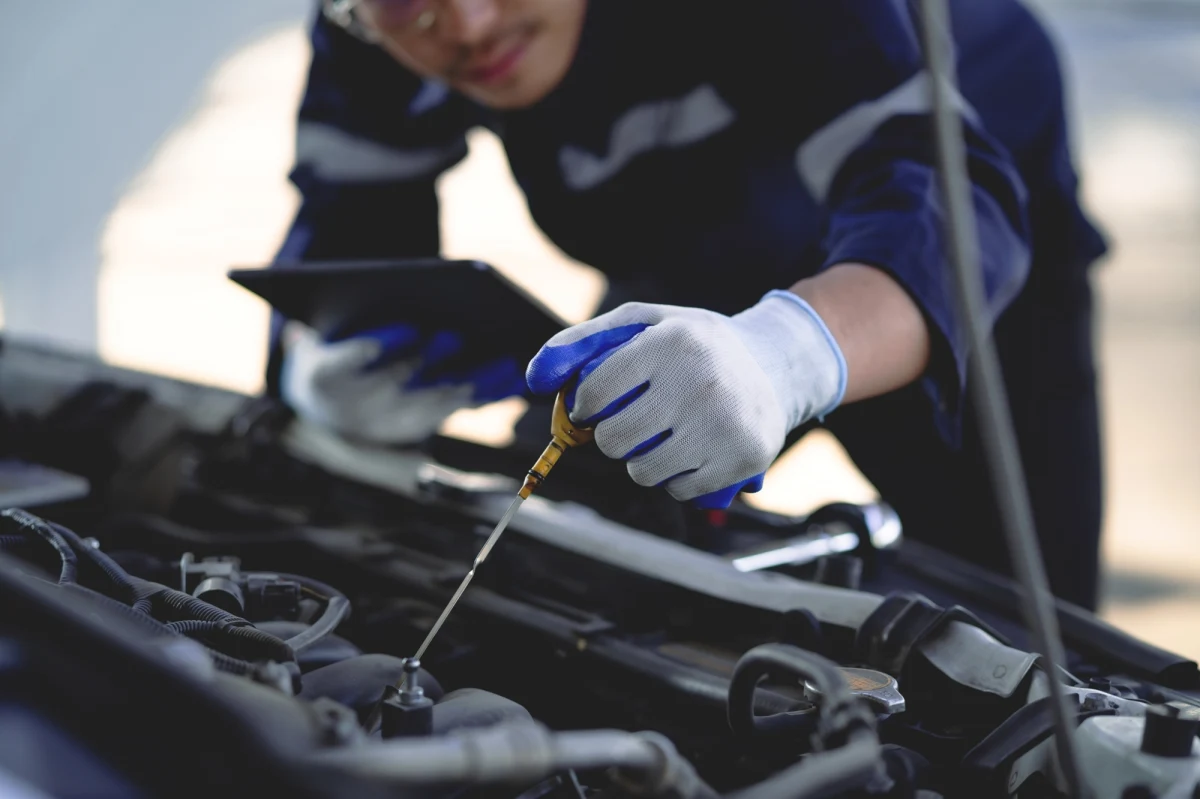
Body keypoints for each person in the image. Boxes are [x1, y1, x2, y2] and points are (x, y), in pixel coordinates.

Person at [270, 0, 1109, 609]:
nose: (468, 25)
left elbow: (938, 185)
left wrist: (789, 356)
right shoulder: (369, 24)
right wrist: (320, 365)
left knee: (1021, 619)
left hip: (945, 220)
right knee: (564, 550)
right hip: (690, 243)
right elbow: (347, 238)